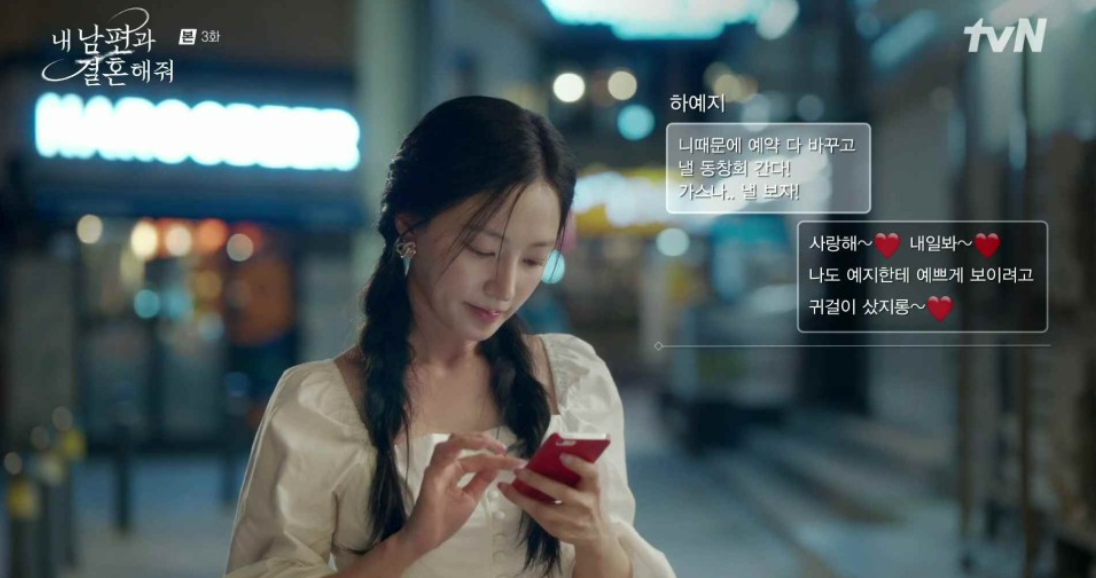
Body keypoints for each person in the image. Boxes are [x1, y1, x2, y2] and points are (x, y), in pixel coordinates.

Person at [223, 96, 677, 578]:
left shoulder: (573, 380)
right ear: (409, 229)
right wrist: (409, 544)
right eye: (482, 250)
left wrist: (595, 539)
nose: (505, 288)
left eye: (533, 260)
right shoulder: (318, 404)